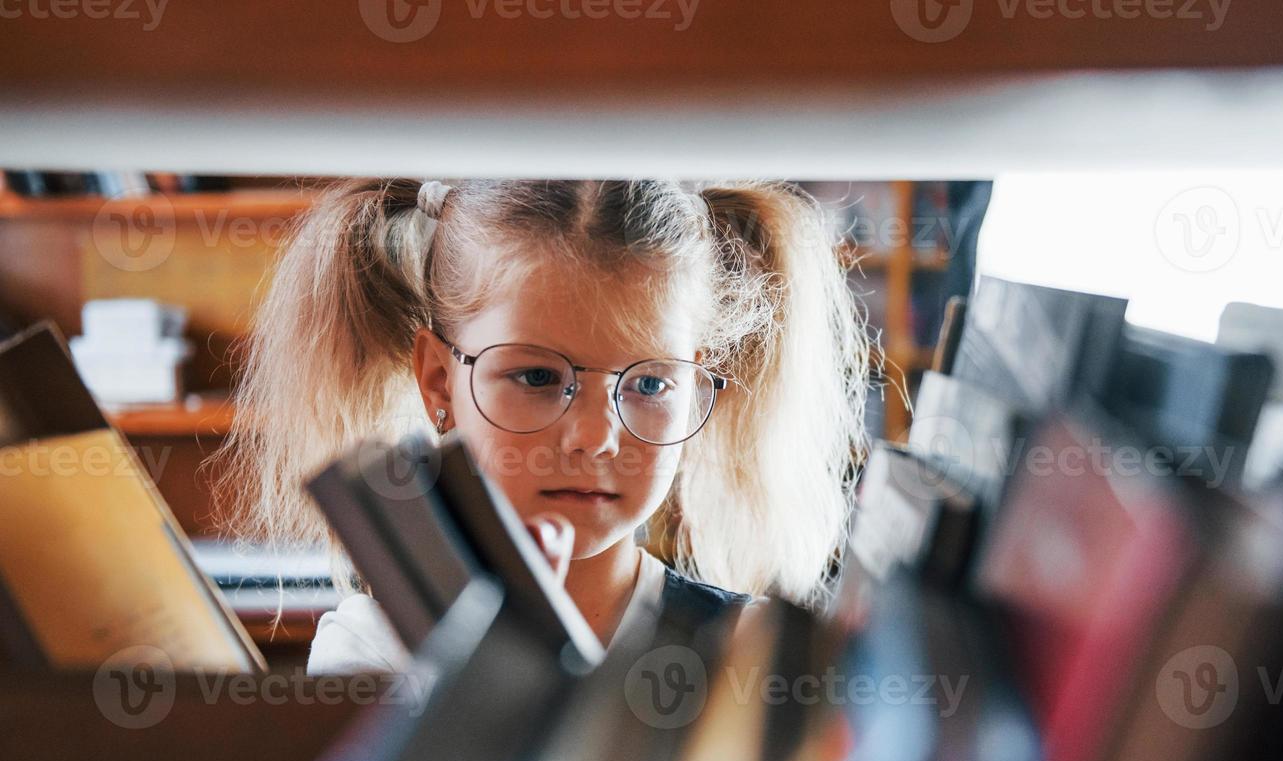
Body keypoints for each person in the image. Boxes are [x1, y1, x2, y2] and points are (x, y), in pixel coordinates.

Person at [214, 179, 870, 673]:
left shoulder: (743, 654)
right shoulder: (377, 650)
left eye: (647, 384)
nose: (594, 436)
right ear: (441, 381)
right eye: (536, 378)